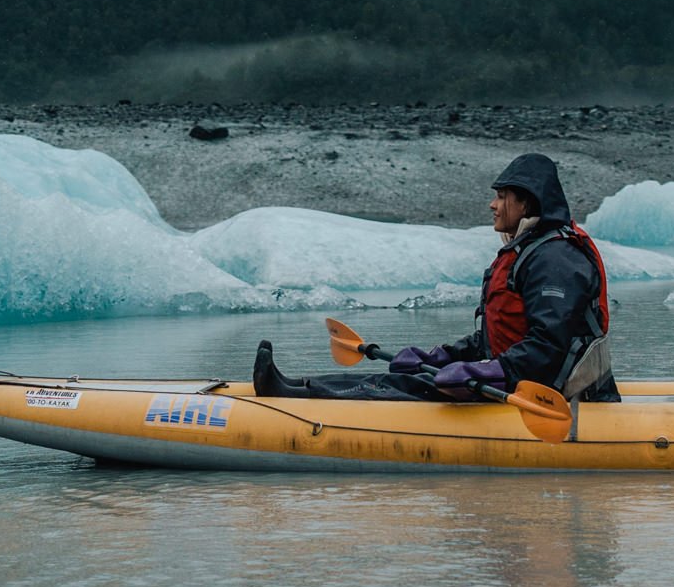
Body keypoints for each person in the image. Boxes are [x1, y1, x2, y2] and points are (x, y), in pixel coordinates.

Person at [252, 152, 619, 403]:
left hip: (544, 393)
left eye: (502, 196)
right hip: (515, 379)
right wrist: (445, 356)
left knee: (405, 387)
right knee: (411, 377)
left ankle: (297, 398)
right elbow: (501, 337)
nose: (493, 205)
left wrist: (490, 371)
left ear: (526, 203)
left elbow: (549, 347)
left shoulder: (555, 259)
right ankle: (296, 387)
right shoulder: (532, 251)